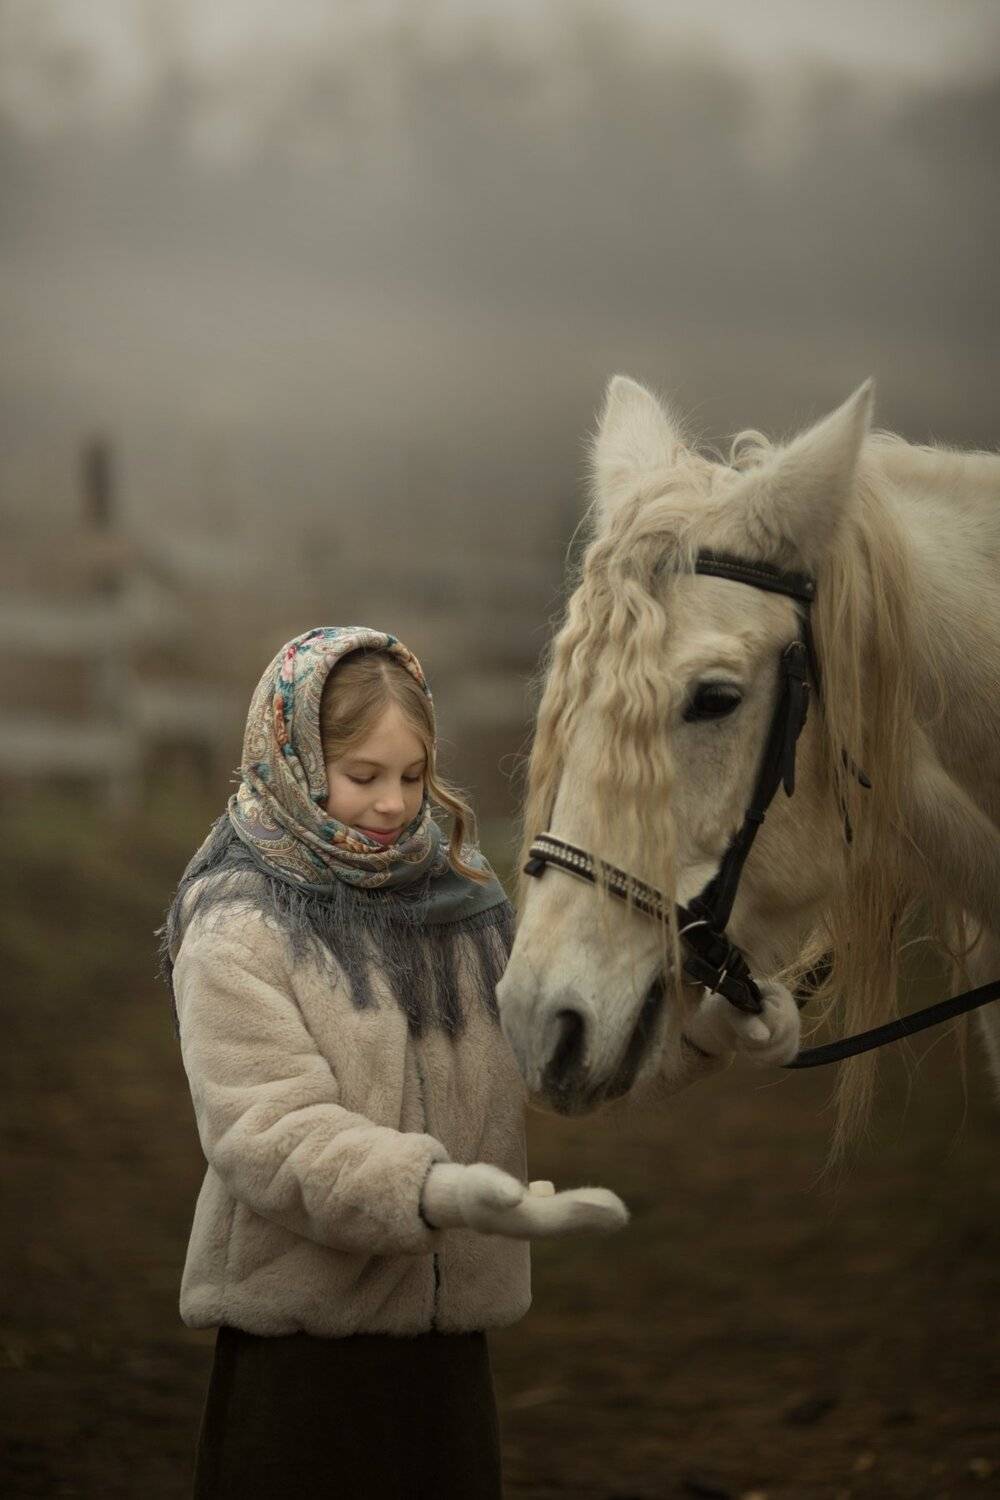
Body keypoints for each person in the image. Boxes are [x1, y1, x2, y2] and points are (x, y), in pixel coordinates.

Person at [158, 625, 627, 1500]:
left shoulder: (461, 893)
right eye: (363, 775)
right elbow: (266, 1131)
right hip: (304, 1361)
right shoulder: (239, 923)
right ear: (293, 761)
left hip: (447, 1360)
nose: (392, 805)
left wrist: (708, 1024)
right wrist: (431, 1190)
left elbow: (547, 1048)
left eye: (412, 777)